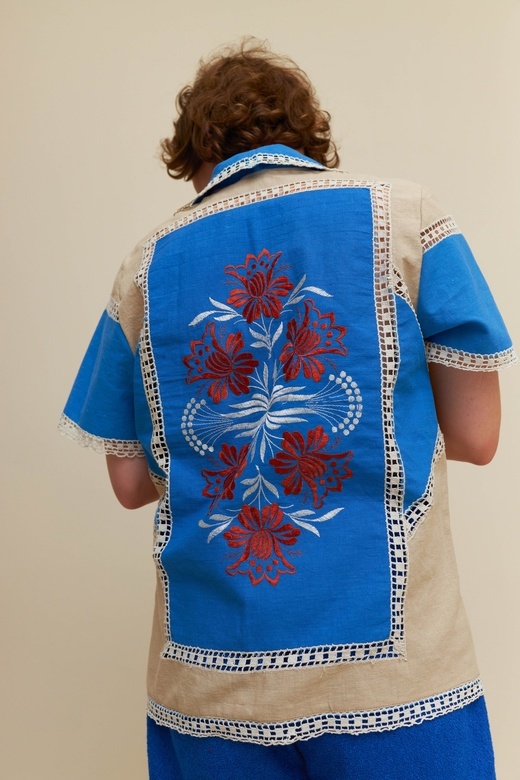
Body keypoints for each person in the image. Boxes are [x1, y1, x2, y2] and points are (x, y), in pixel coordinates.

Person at [59, 40, 516, 780]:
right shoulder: (405, 217)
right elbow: (477, 434)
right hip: (389, 684)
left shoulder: (143, 269)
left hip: (210, 686)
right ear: (307, 133)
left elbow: (130, 483)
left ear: (194, 154)